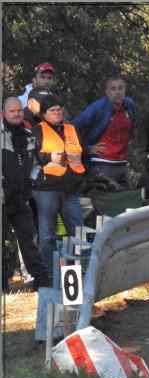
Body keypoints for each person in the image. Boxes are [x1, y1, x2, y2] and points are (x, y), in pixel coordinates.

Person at [31, 94, 85, 274]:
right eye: (52, 110)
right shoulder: (37, 130)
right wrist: (48, 157)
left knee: (78, 232)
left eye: (58, 109)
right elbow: (31, 155)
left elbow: (80, 152)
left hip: (70, 188)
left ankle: (78, 271)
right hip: (46, 189)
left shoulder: (71, 128)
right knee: (47, 236)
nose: (56, 113)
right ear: (44, 114)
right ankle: (48, 274)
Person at [1, 97, 51, 291]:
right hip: (3, 198)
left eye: (18, 110)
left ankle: (41, 281)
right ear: (4, 113)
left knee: (29, 240)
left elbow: (37, 164)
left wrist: (33, 180)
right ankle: (3, 283)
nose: (16, 114)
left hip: (22, 198)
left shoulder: (30, 135)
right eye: (11, 111)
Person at [72, 75, 137, 190]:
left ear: (125, 90)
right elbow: (72, 127)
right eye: (113, 89)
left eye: (120, 88)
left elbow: (132, 126)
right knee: (107, 202)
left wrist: (130, 142)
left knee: (127, 200)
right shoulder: (97, 108)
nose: (117, 92)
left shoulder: (129, 105)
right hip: (102, 163)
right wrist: (87, 148)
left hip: (122, 162)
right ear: (107, 92)